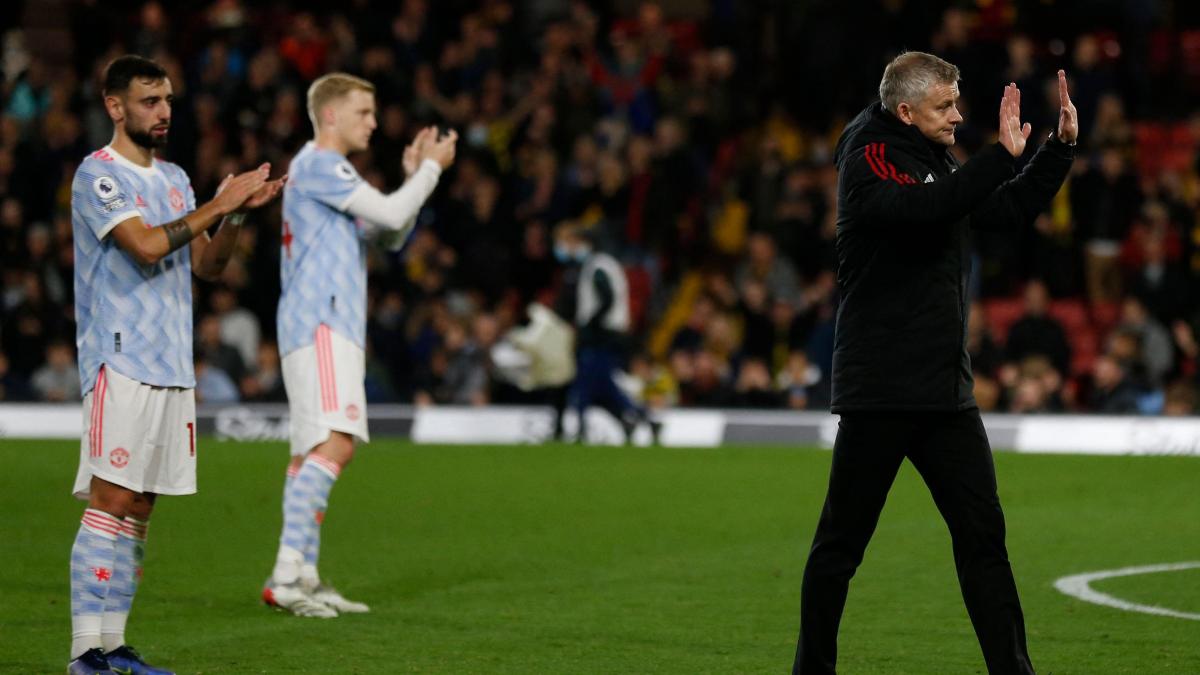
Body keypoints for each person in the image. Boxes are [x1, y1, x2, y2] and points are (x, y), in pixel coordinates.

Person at [793, 52, 1078, 674]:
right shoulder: (870, 156)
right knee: (840, 549)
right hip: (882, 391)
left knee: (984, 540)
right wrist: (999, 157)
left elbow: (1001, 211)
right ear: (904, 111)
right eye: (944, 106)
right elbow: (925, 210)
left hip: (945, 393)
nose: (957, 116)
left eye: (956, 102)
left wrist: (1056, 150)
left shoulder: (933, 158)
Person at [67, 55, 283, 675]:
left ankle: (114, 646)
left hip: (171, 363)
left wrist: (235, 213)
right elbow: (143, 246)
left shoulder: (176, 177)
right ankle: (84, 653)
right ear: (115, 107)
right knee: (111, 497)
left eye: (167, 100)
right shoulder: (98, 174)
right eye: (149, 101)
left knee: (140, 507)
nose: (163, 112)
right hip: (120, 357)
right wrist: (218, 204)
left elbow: (208, 266)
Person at [262, 73, 457, 617]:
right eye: (364, 112)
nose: (373, 122)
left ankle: (304, 575)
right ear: (330, 115)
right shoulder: (322, 165)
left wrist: (412, 179)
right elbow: (393, 214)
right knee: (337, 444)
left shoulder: (326, 172)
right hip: (323, 321)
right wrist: (431, 171)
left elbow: (390, 234)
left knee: (310, 452)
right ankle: (285, 575)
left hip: (316, 322)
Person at [553, 221, 658, 443]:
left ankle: (581, 429)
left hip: (601, 336)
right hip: (607, 335)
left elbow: (606, 298)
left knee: (586, 383)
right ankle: (644, 420)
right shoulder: (604, 264)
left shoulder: (597, 266)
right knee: (602, 386)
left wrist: (591, 324)